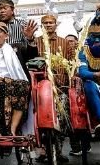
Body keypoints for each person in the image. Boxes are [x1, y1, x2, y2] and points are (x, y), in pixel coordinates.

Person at [0, 22, 38, 139]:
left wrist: (30, 39)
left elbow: (32, 55)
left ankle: (12, 129)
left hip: (14, 84)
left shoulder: (16, 48)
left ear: (6, 36)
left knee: (23, 84)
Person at [34, 15, 71, 163]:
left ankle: (59, 151)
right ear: (41, 25)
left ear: (56, 25)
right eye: (45, 23)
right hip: (40, 88)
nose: (48, 25)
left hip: (60, 87)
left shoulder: (65, 42)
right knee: (40, 121)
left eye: (51, 23)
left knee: (60, 121)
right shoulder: (36, 42)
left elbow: (70, 64)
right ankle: (43, 151)